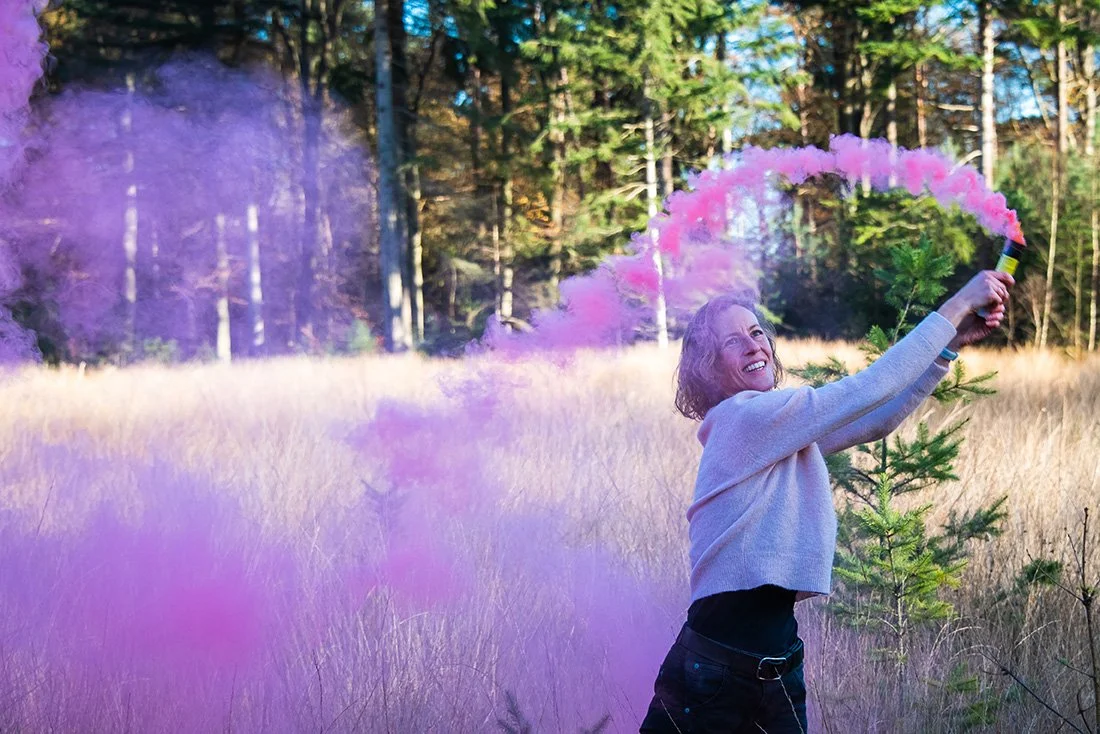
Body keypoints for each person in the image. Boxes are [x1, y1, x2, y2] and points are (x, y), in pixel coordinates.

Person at [639, 270, 1015, 734]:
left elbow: (875, 419)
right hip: (719, 670)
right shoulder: (743, 417)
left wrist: (948, 347)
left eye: (757, 332)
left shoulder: (775, 429)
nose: (754, 344)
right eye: (733, 341)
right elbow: (868, 388)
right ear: (709, 366)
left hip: (773, 662)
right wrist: (957, 303)